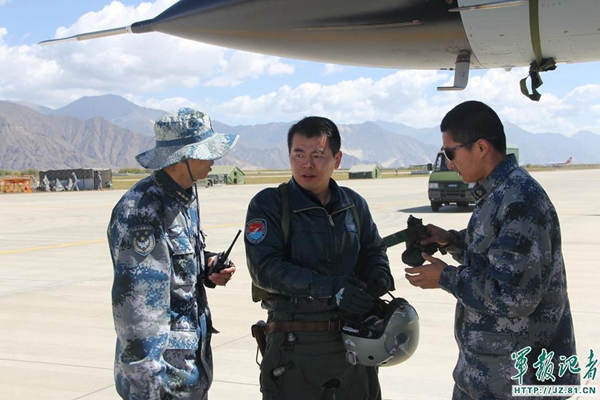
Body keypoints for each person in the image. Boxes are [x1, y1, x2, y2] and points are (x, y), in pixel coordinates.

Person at [404, 101, 578, 399]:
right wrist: (450, 240)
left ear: (481, 147)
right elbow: (498, 254)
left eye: (450, 153)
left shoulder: (520, 200)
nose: (449, 163)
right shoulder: (499, 194)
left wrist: (445, 277)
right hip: (486, 377)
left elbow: (515, 296)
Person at [244, 116, 394, 400]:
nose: (307, 164)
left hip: (355, 347)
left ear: (337, 159)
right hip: (295, 348)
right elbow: (265, 269)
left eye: (317, 155)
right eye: (298, 155)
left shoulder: (353, 204)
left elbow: (374, 251)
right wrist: (331, 288)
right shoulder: (269, 204)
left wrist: (377, 281)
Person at [107, 108, 239, 400]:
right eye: (207, 152)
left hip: (188, 376)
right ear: (184, 157)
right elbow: (137, 314)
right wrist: (150, 389)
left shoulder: (183, 196)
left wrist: (207, 267)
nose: (214, 159)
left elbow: (175, 265)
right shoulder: (143, 212)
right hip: (163, 383)